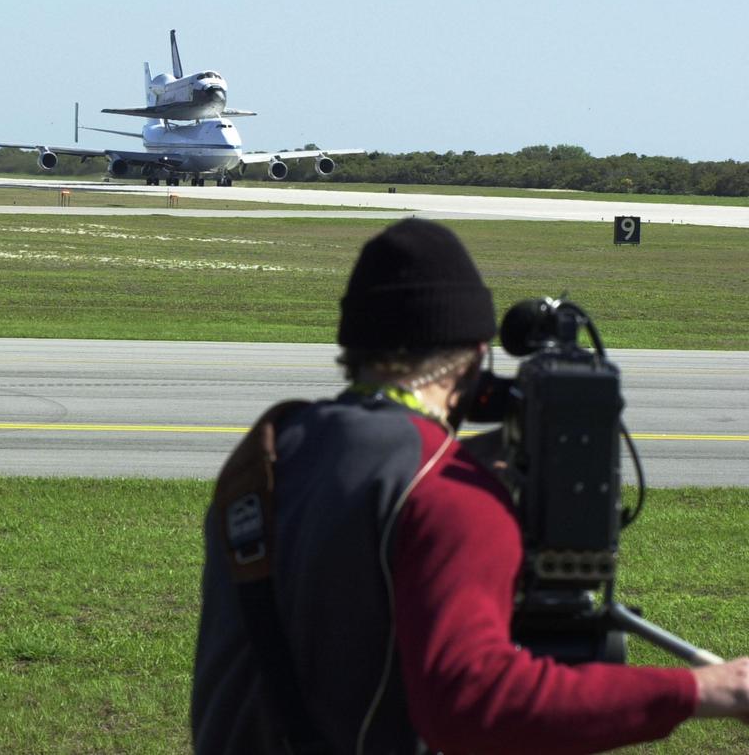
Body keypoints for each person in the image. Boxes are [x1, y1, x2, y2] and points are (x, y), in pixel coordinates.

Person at [191, 218, 749, 754]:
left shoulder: (270, 452)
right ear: (477, 360)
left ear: (353, 349)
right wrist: (706, 690)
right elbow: (472, 703)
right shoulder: (451, 495)